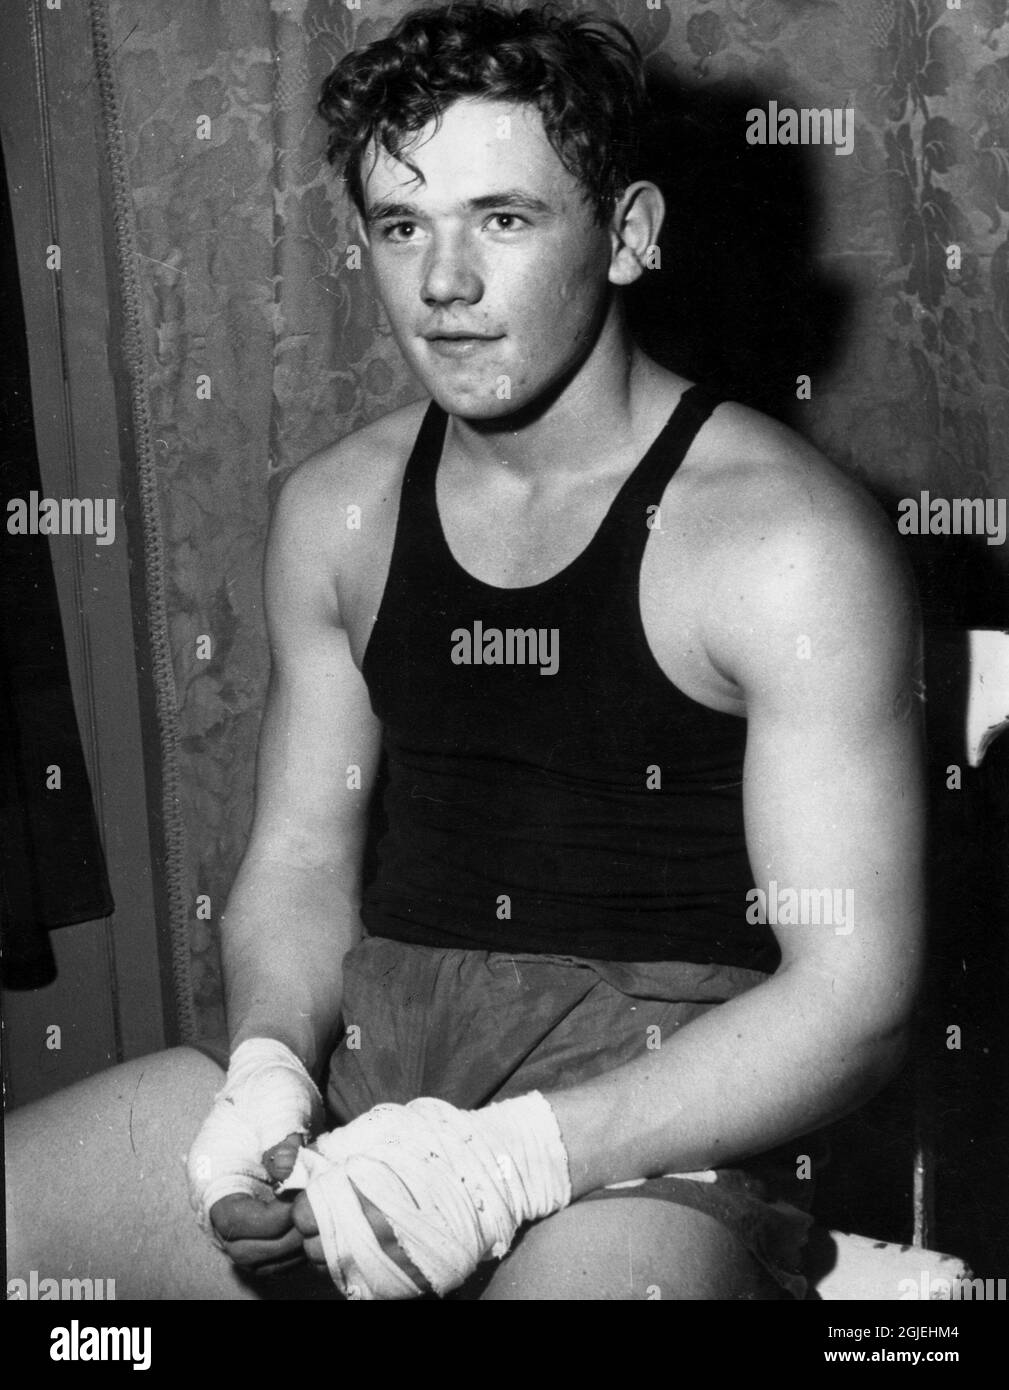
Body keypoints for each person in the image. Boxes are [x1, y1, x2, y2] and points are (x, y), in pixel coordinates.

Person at [6, 0, 924, 1301]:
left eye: (501, 218)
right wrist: (269, 1064)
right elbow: (304, 856)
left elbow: (857, 994)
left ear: (628, 234)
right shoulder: (336, 510)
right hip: (368, 1087)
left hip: (651, 1129)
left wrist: (508, 1160)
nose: (440, 285)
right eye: (400, 226)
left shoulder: (785, 543)